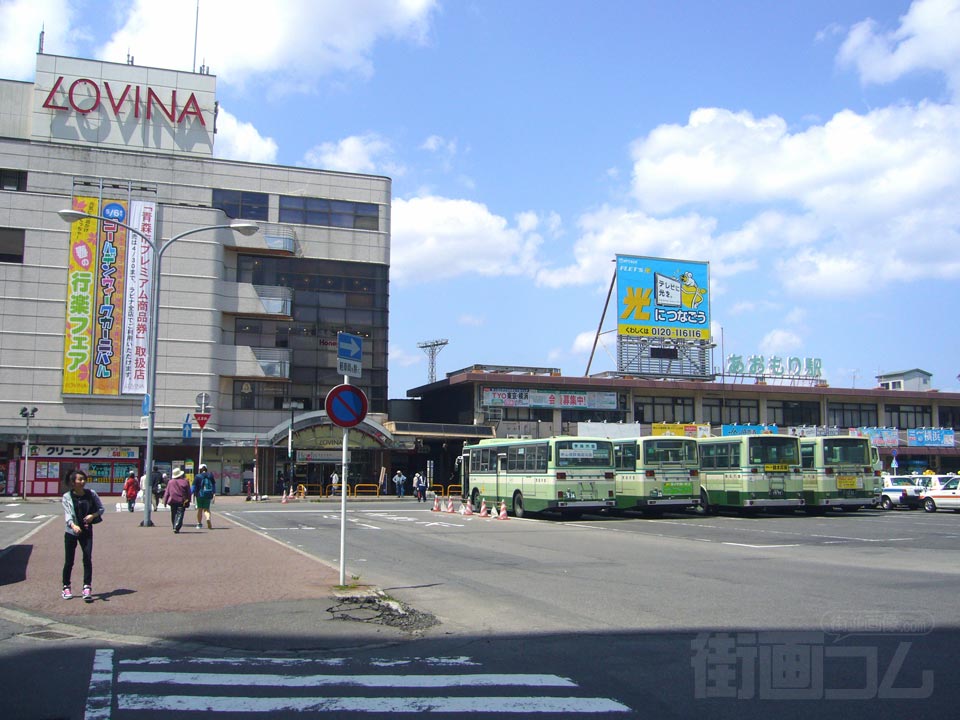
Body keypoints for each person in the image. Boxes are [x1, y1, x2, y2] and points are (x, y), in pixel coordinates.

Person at [61, 469, 105, 602]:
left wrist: (93, 515)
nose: (82, 481)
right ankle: (66, 586)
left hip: (86, 531)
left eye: (84, 479)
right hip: (71, 532)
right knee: (69, 561)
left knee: (87, 558)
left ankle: (87, 587)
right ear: (73, 482)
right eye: (80, 479)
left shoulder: (91, 494)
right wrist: (73, 526)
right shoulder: (67, 497)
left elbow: (101, 508)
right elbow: (68, 514)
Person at [163, 467, 192, 533]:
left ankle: (174, 526)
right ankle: (177, 526)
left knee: (173, 513)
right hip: (182, 501)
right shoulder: (185, 481)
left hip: (172, 500)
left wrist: (165, 501)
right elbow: (189, 492)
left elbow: (167, 492)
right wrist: (189, 500)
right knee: (180, 514)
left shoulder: (170, 482)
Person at [193, 464, 216, 529]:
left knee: (200, 509)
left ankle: (199, 524)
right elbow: (213, 485)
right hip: (208, 494)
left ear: (200, 469)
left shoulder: (198, 476)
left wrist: (190, 493)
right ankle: (208, 518)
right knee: (206, 509)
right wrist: (214, 493)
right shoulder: (210, 475)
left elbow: (193, 487)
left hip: (199, 495)